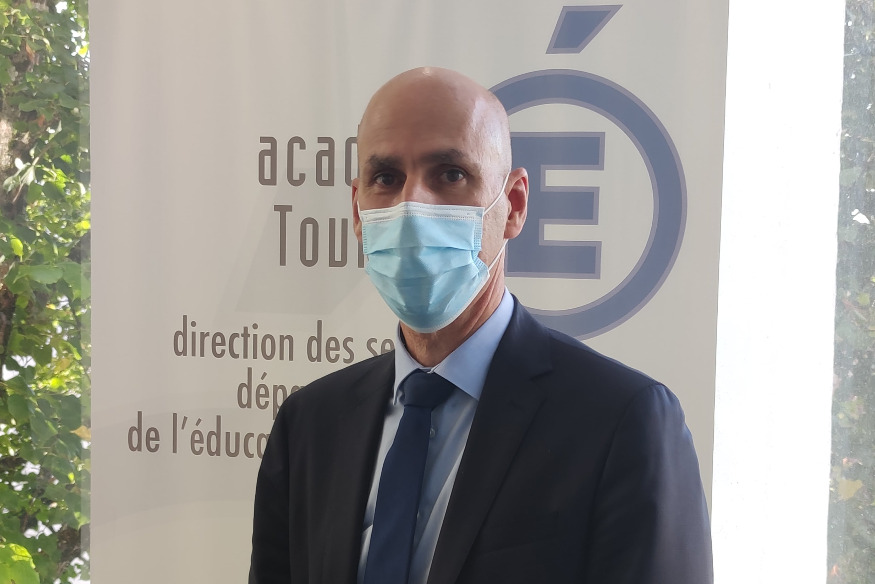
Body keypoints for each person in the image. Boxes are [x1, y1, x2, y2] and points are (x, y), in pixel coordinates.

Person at [249, 67, 712, 584]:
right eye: (387, 178)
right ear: (358, 212)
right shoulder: (310, 423)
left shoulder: (622, 423)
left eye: (450, 174)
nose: (412, 206)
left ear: (513, 205)